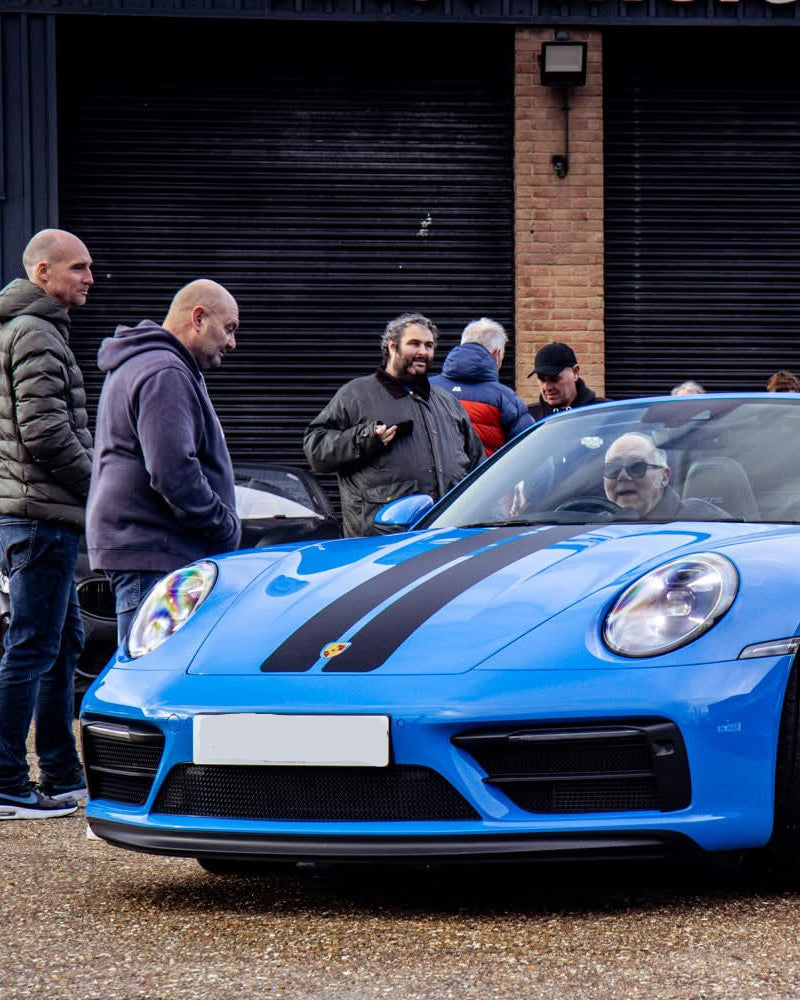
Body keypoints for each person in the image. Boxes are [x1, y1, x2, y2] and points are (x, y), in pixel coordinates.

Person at [86, 280, 241, 641]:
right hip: (156, 553)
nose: (232, 343)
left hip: (148, 549)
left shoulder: (149, 363)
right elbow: (172, 471)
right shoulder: (165, 371)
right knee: (153, 674)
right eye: (229, 328)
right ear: (198, 318)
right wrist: (224, 526)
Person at [0, 229, 95, 819]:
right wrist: (101, 484)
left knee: (62, 643)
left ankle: (60, 770)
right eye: (79, 268)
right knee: (33, 646)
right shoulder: (35, 330)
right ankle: (8, 782)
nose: (90, 277)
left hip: (42, 516)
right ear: (43, 273)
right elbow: (44, 431)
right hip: (40, 517)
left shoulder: (37, 328)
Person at [304, 312, 485, 537]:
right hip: (381, 541)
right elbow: (315, 449)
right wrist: (365, 438)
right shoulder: (356, 394)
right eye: (414, 344)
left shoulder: (446, 402)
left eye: (429, 345)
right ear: (392, 347)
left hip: (445, 536)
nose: (423, 352)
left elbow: (478, 464)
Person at [430, 317, 533, 456]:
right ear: (496, 354)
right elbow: (529, 452)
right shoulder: (505, 399)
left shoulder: (425, 388)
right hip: (488, 478)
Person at [603, 432, 723, 519]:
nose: (623, 476)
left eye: (636, 466)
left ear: (664, 477)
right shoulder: (592, 526)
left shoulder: (705, 522)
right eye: (613, 468)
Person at [527, 342, 606, 421]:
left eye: (554, 379)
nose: (547, 387)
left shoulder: (604, 413)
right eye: (542, 380)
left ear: (575, 373)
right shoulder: (529, 419)